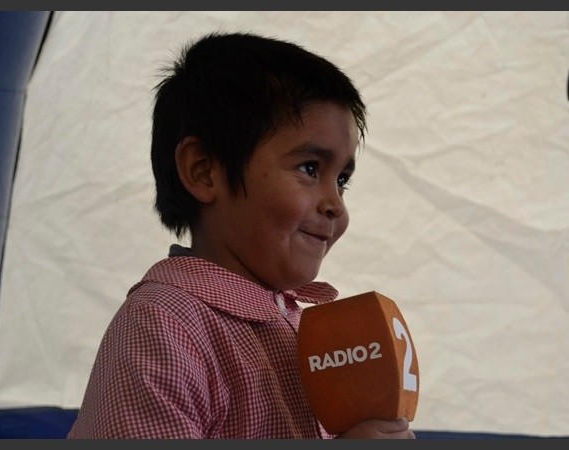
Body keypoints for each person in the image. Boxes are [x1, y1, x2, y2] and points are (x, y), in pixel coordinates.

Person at [67, 31, 415, 439]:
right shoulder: (163, 324)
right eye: (309, 168)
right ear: (204, 171)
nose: (335, 204)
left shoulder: (305, 330)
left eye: (342, 179)